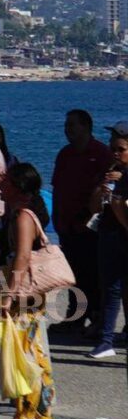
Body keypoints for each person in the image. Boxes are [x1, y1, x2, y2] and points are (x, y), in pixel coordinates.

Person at [0, 163, 57, 419]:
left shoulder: (22, 217)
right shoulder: (16, 214)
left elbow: (22, 257)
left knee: (23, 354)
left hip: (21, 292)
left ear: (17, 187)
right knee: (34, 352)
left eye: (4, 181)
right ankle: (41, 418)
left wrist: (9, 296)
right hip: (27, 292)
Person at [49, 110, 107, 348]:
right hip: (66, 224)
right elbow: (58, 188)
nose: (67, 129)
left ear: (86, 126)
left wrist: (87, 218)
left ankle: (96, 317)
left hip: (90, 227)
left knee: (93, 275)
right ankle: (76, 317)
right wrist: (58, 219)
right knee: (72, 276)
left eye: (72, 125)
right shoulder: (65, 154)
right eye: (66, 125)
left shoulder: (100, 154)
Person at [95, 125, 128, 361]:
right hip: (109, 232)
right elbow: (96, 206)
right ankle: (106, 338)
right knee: (111, 287)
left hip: (120, 233)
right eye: (112, 147)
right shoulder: (111, 171)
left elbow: (118, 204)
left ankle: (108, 337)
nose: (115, 153)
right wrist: (101, 190)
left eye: (121, 149)